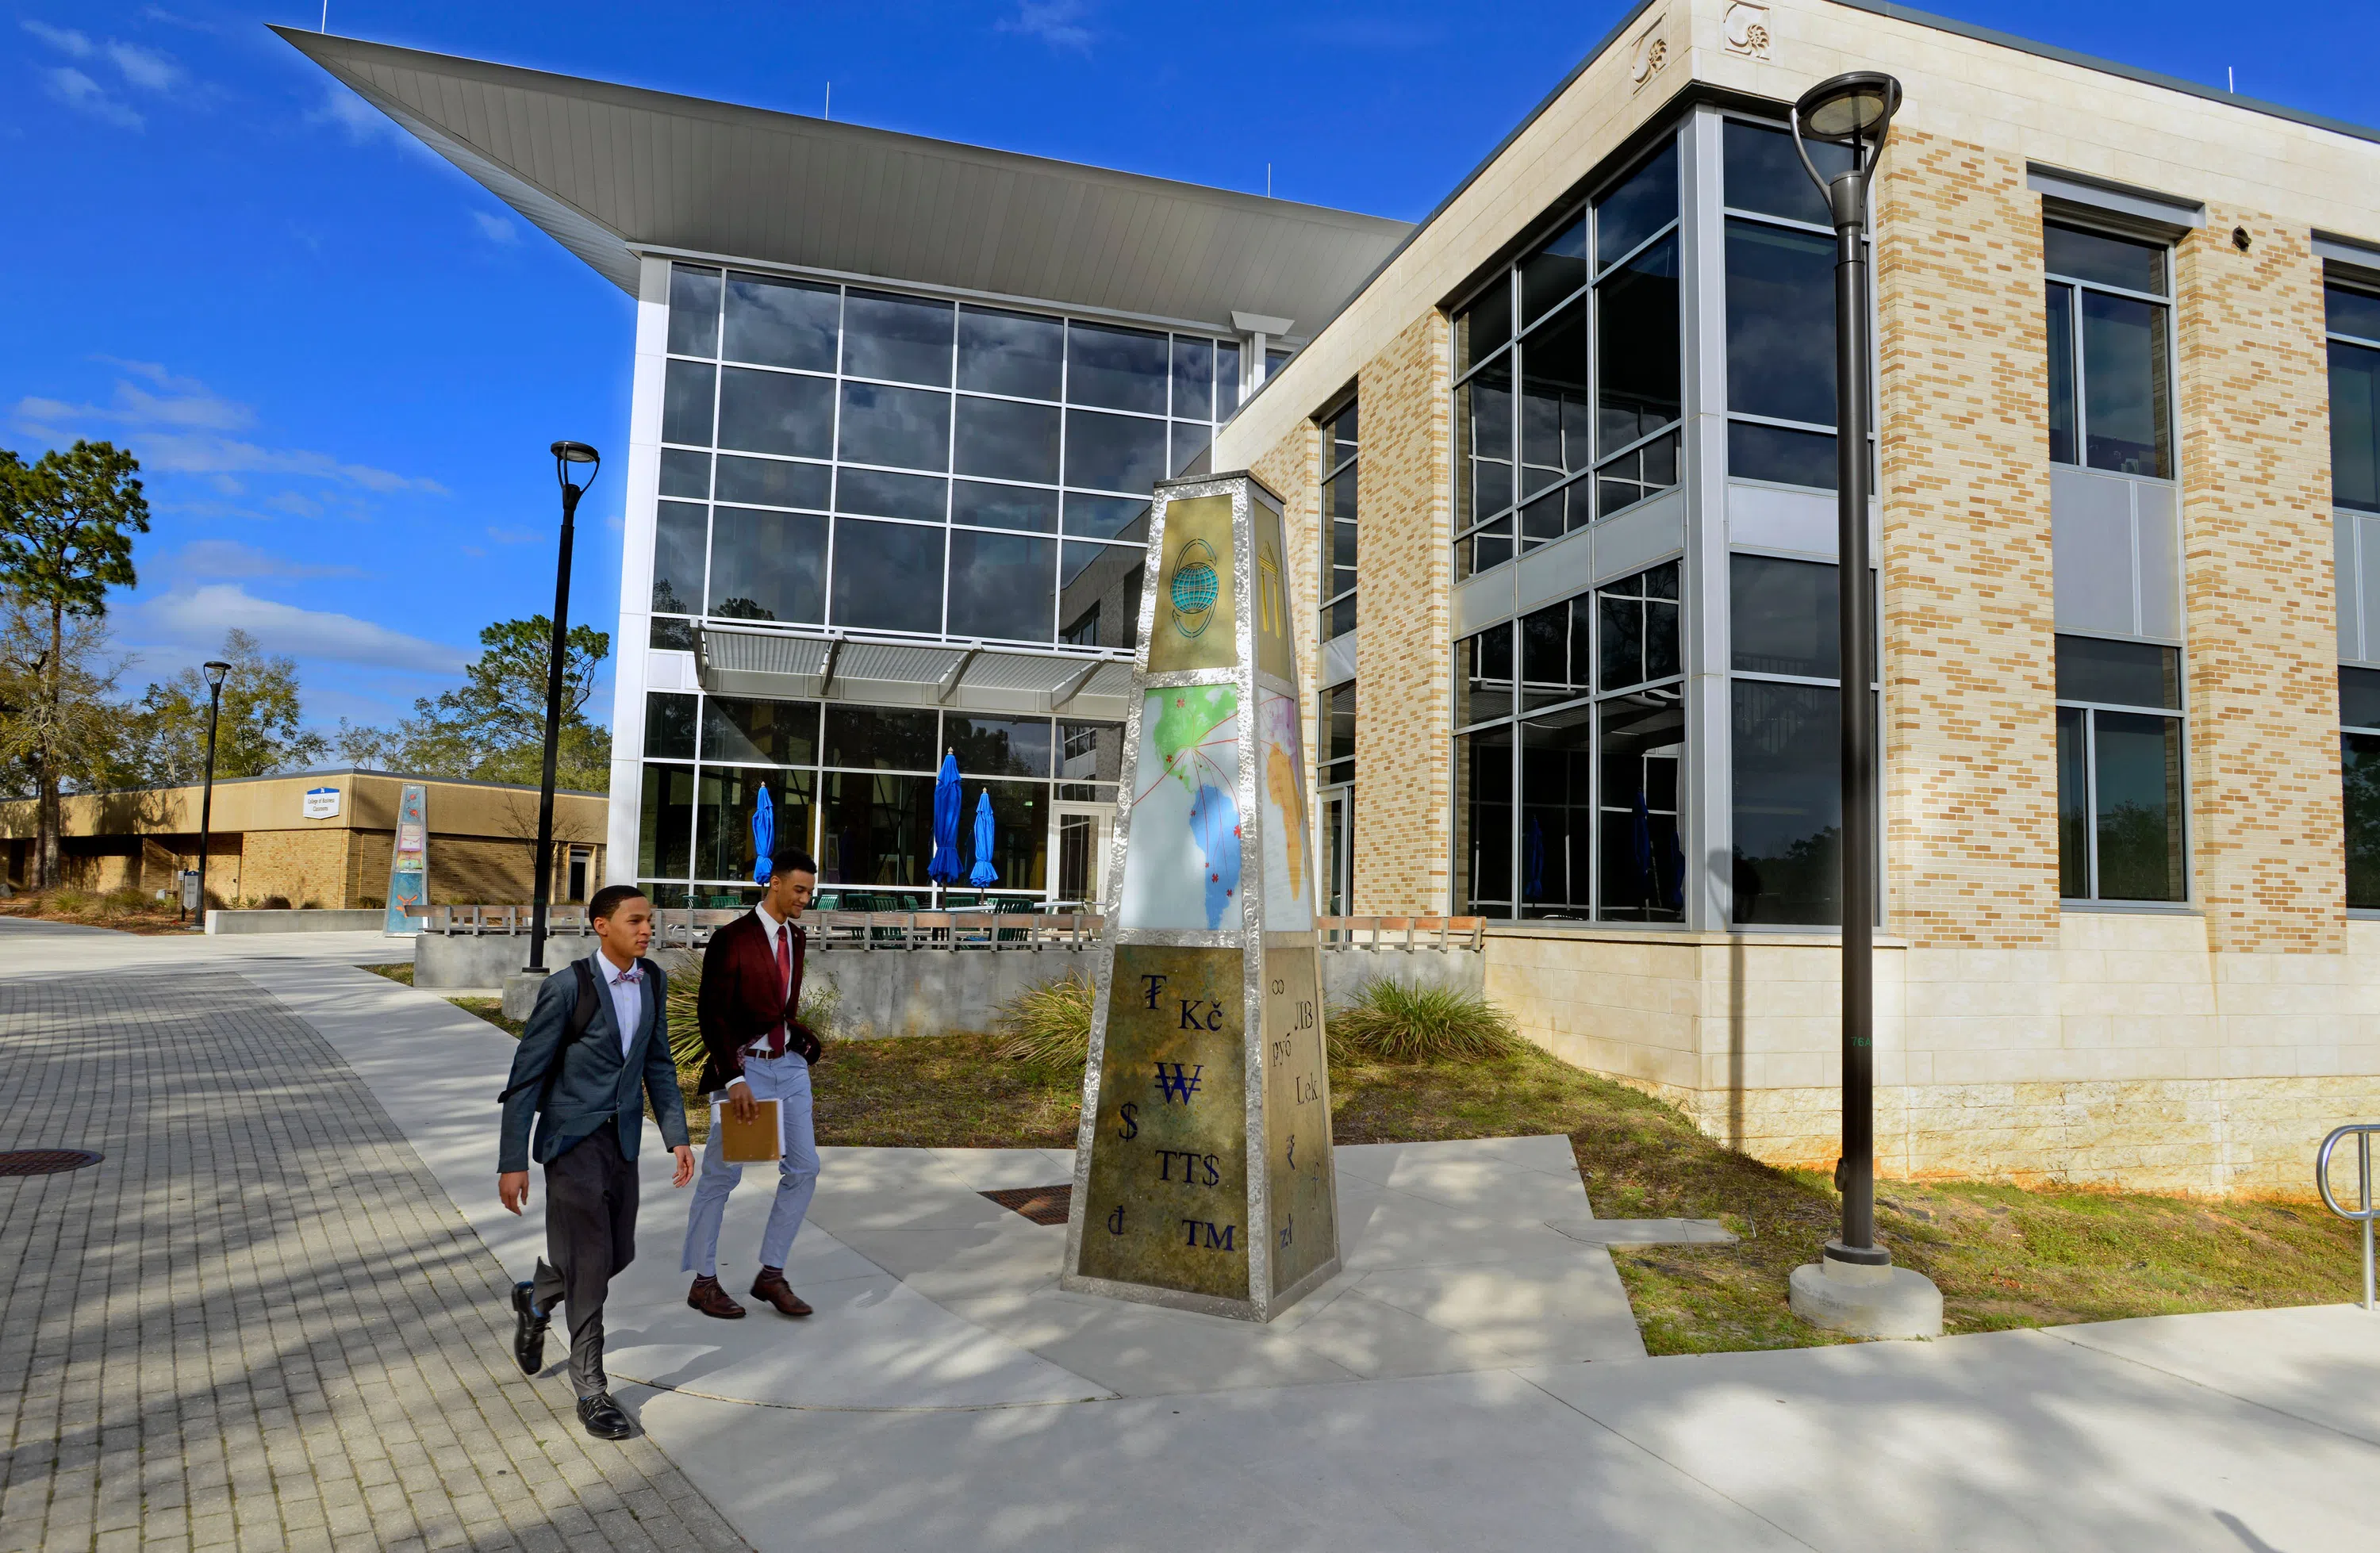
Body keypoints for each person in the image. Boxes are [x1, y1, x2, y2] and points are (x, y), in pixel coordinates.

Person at [497, 885, 694, 1441]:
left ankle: (535, 1298)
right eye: (635, 921)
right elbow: (527, 1078)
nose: (647, 930)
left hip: (623, 1141)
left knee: (617, 1253)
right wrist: (513, 1160)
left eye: (649, 922)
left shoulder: (652, 979)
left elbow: (659, 1062)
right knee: (589, 1262)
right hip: (571, 1141)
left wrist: (676, 1136)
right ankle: (591, 1389)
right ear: (601, 925)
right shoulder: (566, 989)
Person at [681, 845, 823, 1319]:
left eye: (811, 891)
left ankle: (771, 1274)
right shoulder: (733, 939)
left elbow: (781, 1005)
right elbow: (712, 1014)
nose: (806, 899)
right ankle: (704, 1281)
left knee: (804, 1168)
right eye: (799, 890)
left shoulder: (796, 938)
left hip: (789, 1066)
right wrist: (734, 1076)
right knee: (724, 1175)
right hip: (748, 1069)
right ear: (775, 883)